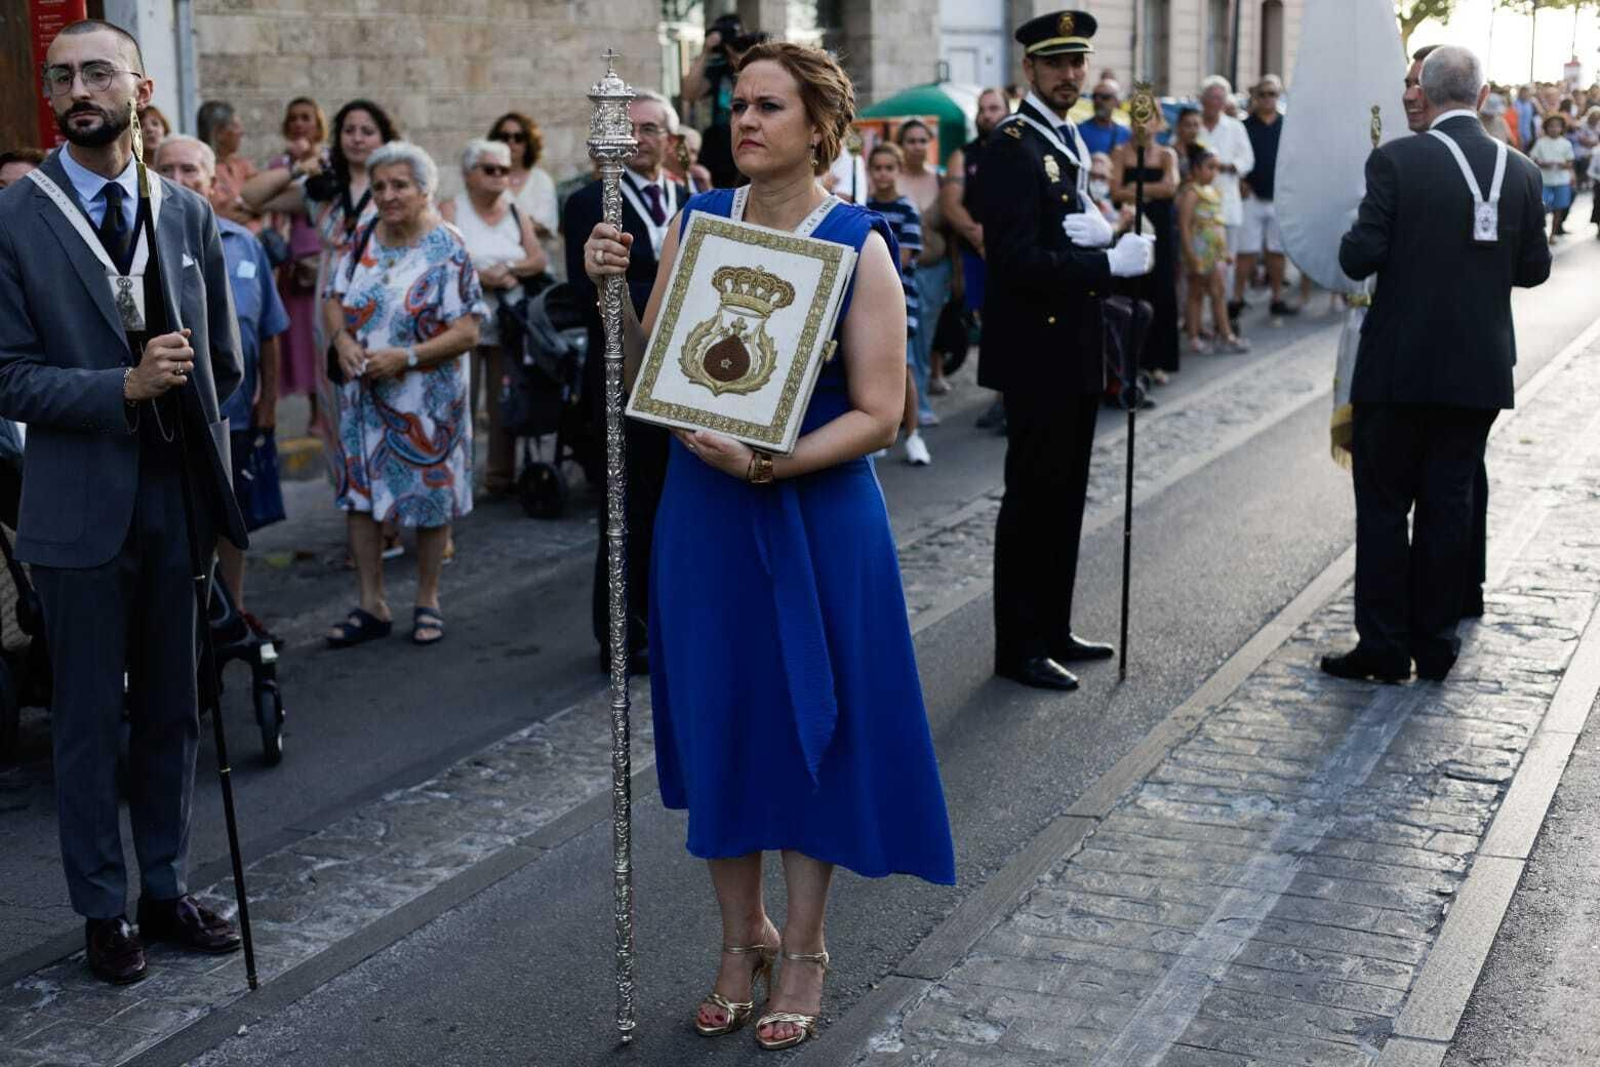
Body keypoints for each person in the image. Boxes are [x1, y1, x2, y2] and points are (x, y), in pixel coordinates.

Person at [583, 38, 955, 1050]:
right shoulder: (698, 221)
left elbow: (882, 411)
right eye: (737, 105)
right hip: (704, 516)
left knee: (808, 722)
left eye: (768, 107)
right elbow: (649, 373)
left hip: (812, 511)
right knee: (722, 717)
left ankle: (802, 944)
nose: (744, 121)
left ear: (819, 129)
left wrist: (767, 464)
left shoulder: (856, 240)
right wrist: (609, 286)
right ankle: (735, 933)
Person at [0, 18, 249, 984]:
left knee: (175, 711)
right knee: (89, 719)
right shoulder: (17, 220)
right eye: (61, 77)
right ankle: (103, 909)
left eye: (97, 70)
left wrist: (182, 417)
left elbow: (223, 359)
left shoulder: (181, 212)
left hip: (174, 494)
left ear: (139, 89)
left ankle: (164, 883)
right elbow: (9, 377)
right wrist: (120, 390)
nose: (77, 88)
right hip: (76, 506)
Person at [1323, 45, 1550, 684]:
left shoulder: (1395, 159)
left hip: (1397, 370)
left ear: (1423, 88)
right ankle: (1438, 641)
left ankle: (1385, 646)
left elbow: (1357, 257)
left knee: (1386, 507)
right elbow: (1534, 271)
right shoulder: (1524, 171)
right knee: (1449, 505)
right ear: (1482, 97)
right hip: (1477, 372)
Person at [976, 9, 1155, 692]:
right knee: (1032, 496)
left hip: (1074, 343)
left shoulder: (1067, 137)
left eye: (1077, 62)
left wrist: (1106, 238)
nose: (1071, 75)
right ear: (1030, 69)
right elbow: (1016, 260)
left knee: (1067, 495)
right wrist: (1106, 266)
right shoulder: (1012, 145)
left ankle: (1052, 625)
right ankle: (1017, 643)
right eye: (1056, 64)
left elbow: (1063, 235)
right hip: (1035, 346)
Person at [323, 142, 484, 649]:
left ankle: (427, 599)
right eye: (379, 187)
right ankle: (372, 602)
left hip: (427, 402)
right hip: (365, 397)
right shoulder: (365, 235)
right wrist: (343, 341)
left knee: (430, 500)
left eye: (400, 186)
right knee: (361, 498)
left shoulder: (448, 246)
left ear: (424, 190)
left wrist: (406, 357)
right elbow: (333, 297)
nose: (388, 196)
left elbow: (467, 331)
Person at [561, 90, 686, 676]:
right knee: (622, 504)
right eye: (629, 128)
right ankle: (618, 632)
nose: (640, 138)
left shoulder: (691, 200)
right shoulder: (591, 201)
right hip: (618, 371)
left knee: (672, 501)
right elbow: (587, 292)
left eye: (652, 127)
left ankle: (669, 617)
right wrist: (671, 305)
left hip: (682, 377)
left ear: (670, 138)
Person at [242, 100, 398, 558]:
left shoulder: (396, 183)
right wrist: (298, 165)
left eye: (367, 129)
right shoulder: (322, 188)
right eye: (349, 129)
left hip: (384, 300)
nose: (356, 137)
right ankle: (362, 521)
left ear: (384, 137)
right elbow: (251, 198)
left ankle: (397, 517)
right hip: (329, 308)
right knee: (340, 416)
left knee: (389, 411)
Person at [155, 134, 289, 629]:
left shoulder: (246, 244)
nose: (178, 180)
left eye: (190, 170)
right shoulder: (139, 246)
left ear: (213, 182)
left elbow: (270, 331)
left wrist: (269, 407)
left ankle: (231, 608)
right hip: (167, 417)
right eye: (166, 169)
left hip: (233, 412)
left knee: (230, 518)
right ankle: (181, 619)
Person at [440, 137, 547, 497]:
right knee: (459, 402)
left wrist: (507, 268)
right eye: (489, 170)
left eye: (504, 170)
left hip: (507, 321)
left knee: (504, 401)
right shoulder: (451, 209)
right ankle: (456, 480)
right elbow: (443, 257)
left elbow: (537, 259)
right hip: (462, 323)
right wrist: (480, 275)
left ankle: (500, 477)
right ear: (469, 174)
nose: (499, 177)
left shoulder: (515, 209)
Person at [864, 142, 932, 465]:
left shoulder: (906, 209)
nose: (883, 174)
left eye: (889, 168)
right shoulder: (864, 209)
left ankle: (914, 434)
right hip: (868, 303)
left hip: (902, 300)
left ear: (898, 170)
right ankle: (879, 430)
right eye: (877, 168)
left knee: (904, 368)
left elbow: (904, 257)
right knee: (872, 368)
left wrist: (873, 268)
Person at [265, 97, 328, 429]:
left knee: (319, 333)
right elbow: (266, 200)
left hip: (320, 258)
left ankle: (322, 411)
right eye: (294, 117)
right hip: (290, 263)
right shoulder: (280, 162)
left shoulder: (328, 161)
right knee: (297, 340)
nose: (300, 123)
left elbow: (311, 202)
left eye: (306, 117)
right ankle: (304, 407)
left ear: (318, 124)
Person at [1110, 104, 1180, 380]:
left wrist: (1135, 190)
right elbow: (1115, 191)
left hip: (1160, 230)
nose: (1143, 124)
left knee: (1161, 291)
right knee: (1130, 292)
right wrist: (1151, 191)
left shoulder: (1166, 154)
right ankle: (1128, 363)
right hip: (1130, 228)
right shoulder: (1119, 152)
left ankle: (1158, 362)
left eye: (1148, 117)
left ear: (1158, 121)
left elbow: (1171, 187)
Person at [895, 119, 947, 425]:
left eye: (921, 140)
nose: (916, 146)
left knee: (926, 338)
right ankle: (902, 406)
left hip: (936, 269)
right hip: (901, 273)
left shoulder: (939, 180)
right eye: (910, 140)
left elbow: (951, 232)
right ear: (902, 145)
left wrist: (956, 274)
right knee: (903, 339)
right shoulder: (890, 179)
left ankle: (921, 400)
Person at [679, 12, 765, 188]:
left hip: (753, 138)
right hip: (720, 143)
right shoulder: (718, 68)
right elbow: (689, 93)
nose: (738, 54)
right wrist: (705, 52)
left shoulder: (761, 66)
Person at [1237, 75, 1297, 317]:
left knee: (1276, 251)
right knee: (1247, 251)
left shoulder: (1287, 125)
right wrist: (1241, 181)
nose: (1267, 99)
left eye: (1272, 94)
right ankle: (1237, 298)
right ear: (1255, 97)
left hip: (1278, 196)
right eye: (1262, 94)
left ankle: (1276, 297)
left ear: (1278, 96)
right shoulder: (1245, 126)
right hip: (1251, 196)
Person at [1178, 145, 1248, 354]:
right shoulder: (1191, 193)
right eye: (1210, 167)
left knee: (1218, 291)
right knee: (1196, 292)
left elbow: (1218, 224)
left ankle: (1224, 334)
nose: (1214, 172)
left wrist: (1225, 251)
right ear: (1196, 169)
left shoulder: (1213, 191)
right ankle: (1195, 335)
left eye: (1216, 168)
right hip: (1199, 251)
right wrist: (1190, 255)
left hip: (1214, 252)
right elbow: (1184, 225)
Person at [1196, 76, 1254, 323]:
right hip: (1197, 205)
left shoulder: (1235, 127)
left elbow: (1248, 160)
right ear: (1203, 99)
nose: (1215, 102)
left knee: (1226, 261)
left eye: (1220, 98)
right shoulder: (1194, 125)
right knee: (1198, 261)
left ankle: (1224, 313)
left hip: (1226, 203)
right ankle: (1197, 318)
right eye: (1211, 97)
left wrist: (1230, 166)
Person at [487, 112, 560, 278]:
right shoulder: (487, 179)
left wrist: (499, 223)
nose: (511, 143)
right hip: (493, 272)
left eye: (518, 137)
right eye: (504, 137)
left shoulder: (541, 180)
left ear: (528, 142)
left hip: (535, 274)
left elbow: (544, 227)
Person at [195, 100, 260, 232]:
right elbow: (223, 214)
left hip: (255, 243)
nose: (241, 132)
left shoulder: (244, 166)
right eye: (236, 126)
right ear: (219, 133)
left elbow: (266, 201)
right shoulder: (200, 169)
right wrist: (253, 209)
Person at [1530, 113, 1575, 243]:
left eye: (1557, 126)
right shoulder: (1541, 142)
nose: (1554, 129)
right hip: (1544, 180)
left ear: (1562, 128)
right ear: (1546, 128)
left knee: (1558, 208)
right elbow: (1533, 158)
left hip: (1561, 181)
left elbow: (1570, 162)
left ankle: (1553, 233)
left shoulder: (1566, 143)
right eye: (1551, 126)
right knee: (1541, 207)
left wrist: (1563, 165)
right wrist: (1543, 163)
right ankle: (1540, 232)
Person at [1077, 77, 1129, 156]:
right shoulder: (1078, 131)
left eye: (1105, 97)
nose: (1098, 101)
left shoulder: (1126, 133)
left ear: (1116, 101)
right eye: (1095, 96)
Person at [1172, 106, 1203, 179]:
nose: (1193, 130)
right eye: (1188, 125)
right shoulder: (1169, 153)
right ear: (1179, 126)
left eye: (1196, 125)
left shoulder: (1202, 152)